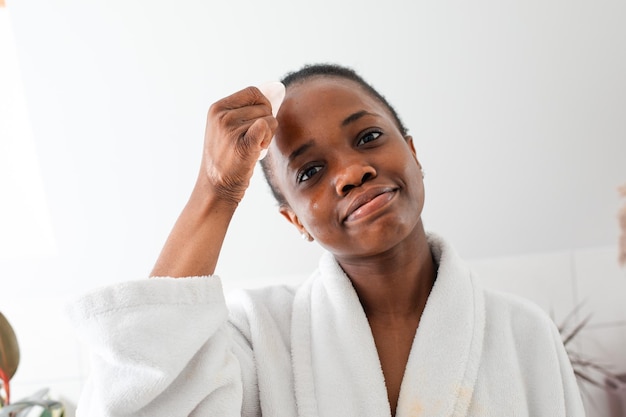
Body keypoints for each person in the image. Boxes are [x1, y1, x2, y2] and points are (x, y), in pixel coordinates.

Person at [68, 63, 586, 417]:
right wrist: (217, 191)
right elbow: (141, 400)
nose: (352, 172)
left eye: (367, 138)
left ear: (412, 152)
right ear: (294, 221)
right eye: (311, 170)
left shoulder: (524, 333)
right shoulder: (258, 335)